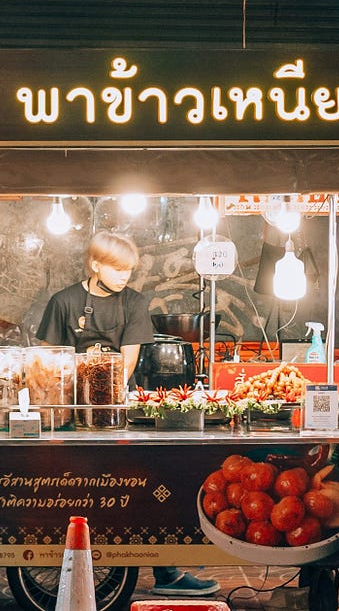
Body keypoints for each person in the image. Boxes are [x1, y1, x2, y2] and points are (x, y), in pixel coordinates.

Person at [37, 232, 220, 597]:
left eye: (129, 270)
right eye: (118, 269)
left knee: (145, 485)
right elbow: (48, 360)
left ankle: (166, 570)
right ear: (95, 265)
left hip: (117, 409)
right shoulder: (64, 302)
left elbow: (128, 361)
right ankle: (66, 562)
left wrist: (104, 397)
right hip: (70, 412)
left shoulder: (134, 303)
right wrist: (73, 399)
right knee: (74, 487)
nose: (125, 276)